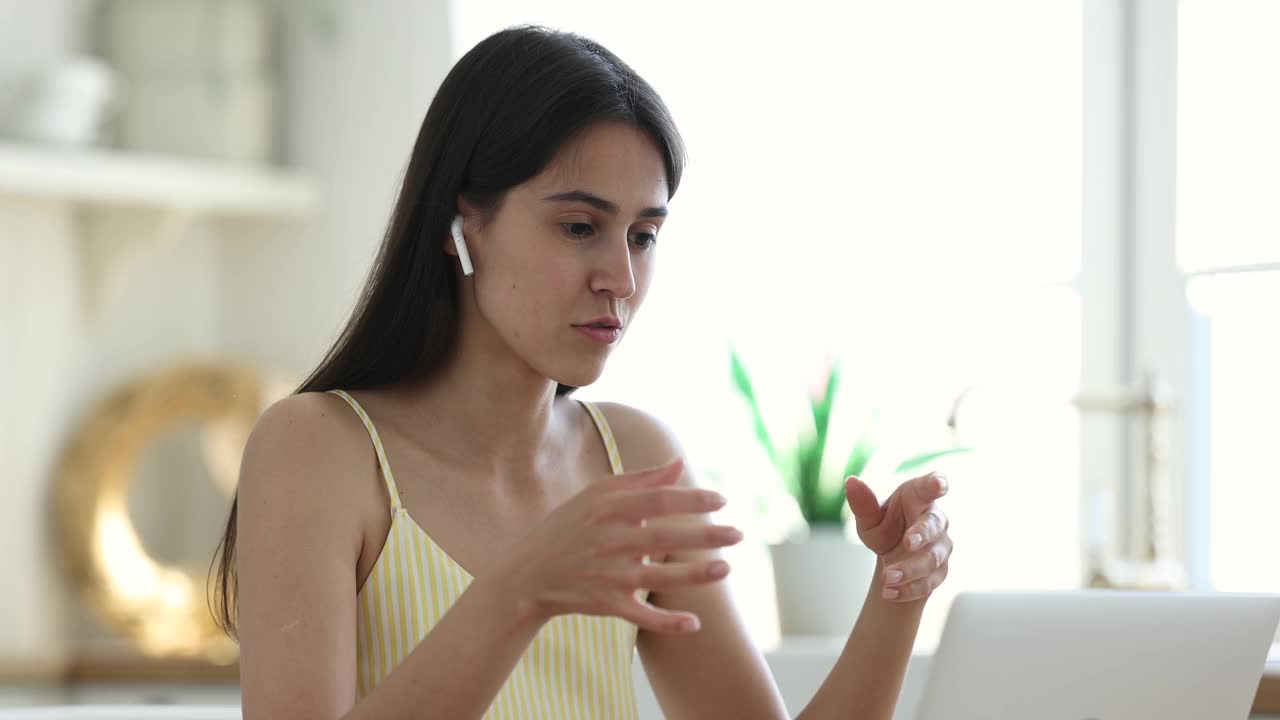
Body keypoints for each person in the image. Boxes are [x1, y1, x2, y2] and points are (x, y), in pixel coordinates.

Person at [211, 24, 953, 720]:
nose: (621, 279)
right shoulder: (316, 448)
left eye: (644, 235)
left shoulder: (635, 459)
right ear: (460, 224)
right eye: (579, 227)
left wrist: (897, 589)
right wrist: (519, 590)